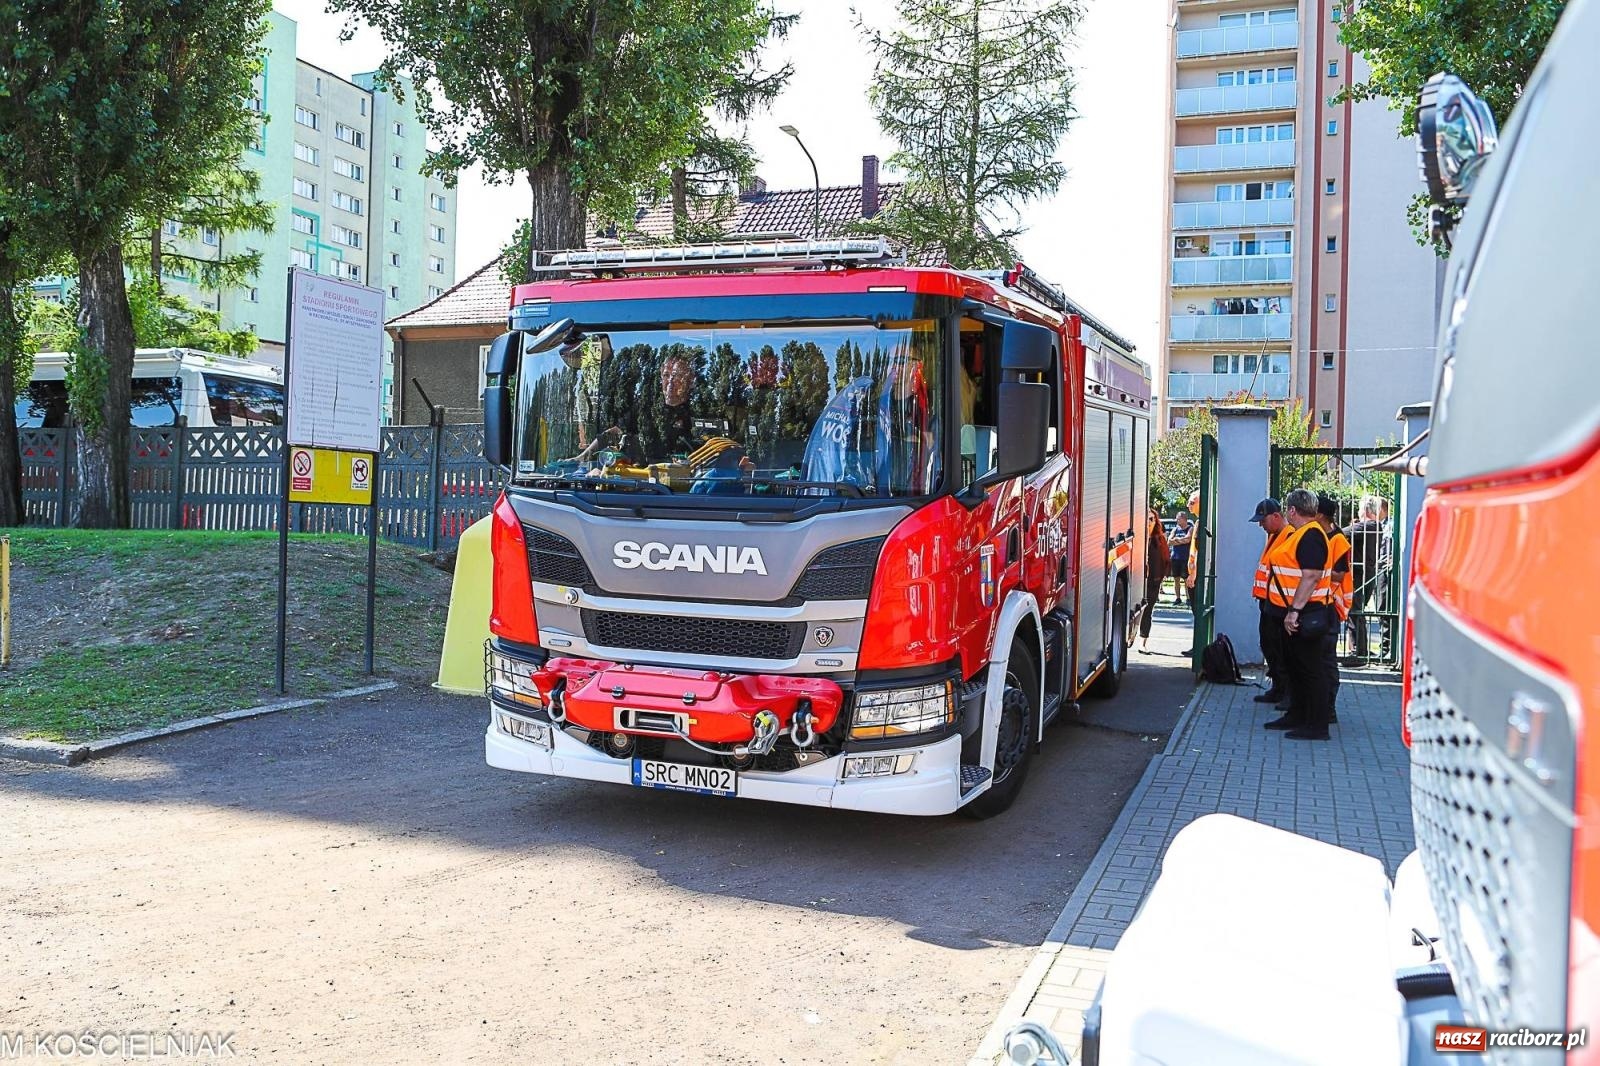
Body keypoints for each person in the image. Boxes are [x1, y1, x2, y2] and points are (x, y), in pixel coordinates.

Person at [1262, 488, 1336, 740]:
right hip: (1294, 611)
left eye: (1287, 510)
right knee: (1295, 666)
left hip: (1307, 612)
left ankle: (1316, 725)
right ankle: (1297, 714)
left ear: (1292, 510)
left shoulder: (1311, 535)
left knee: (1310, 668)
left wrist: (1294, 611)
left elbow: (1312, 575)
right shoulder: (1302, 534)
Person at [1248, 497, 1292, 708]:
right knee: (1269, 645)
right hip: (1268, 602)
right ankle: (1277, 687)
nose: (1260, 525)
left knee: (1281, 649)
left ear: (1276, 516)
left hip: (1281, 604)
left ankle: (1287, 691)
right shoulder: (1275, 536)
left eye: (1263, 520)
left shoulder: (1289, 536)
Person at [1317, 494, 1350, 723]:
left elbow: (1339, 573)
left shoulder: (1337, 539)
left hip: (1331, 605)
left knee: (1327, 660)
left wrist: (1313, 575)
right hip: (1320, 602)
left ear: (1319, 514)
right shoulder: (1320, 535)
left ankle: (1328, 709)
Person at [1345, 495, 1382, 661]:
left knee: (1355, 612)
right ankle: (1361, 648)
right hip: (1367, 574)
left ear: (1365, 510)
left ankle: (1357, 652)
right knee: (1357, 612)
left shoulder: (1369, 525)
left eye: (1360, 508)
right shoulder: (1374, 526)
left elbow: (1342, 533)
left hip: (1360, 575)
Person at [1141, 507, 1170, 652]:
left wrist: (1162, 577)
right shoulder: (1138, 537)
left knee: (1148, 610)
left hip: (1153, 580)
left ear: (1156, 521)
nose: (1148, 522)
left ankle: (1143, 642)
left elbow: (1166, 559)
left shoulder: (1159, 539)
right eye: (1146, 518)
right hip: (1139, 580)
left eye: (1151, 519)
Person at [1168, 509, 1194, 605]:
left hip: (1185, 558)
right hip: (1175, 558)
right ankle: (1178, 598)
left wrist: (1177, 540)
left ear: (1184, 519)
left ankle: (1188, 598)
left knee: (1186, 579)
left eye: (1178, 519)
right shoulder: (1175, 529)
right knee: (1176, 579)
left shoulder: (1190, 528)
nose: (1177, 521)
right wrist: (1179, 541)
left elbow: (1188, 539)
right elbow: (1169, 541)